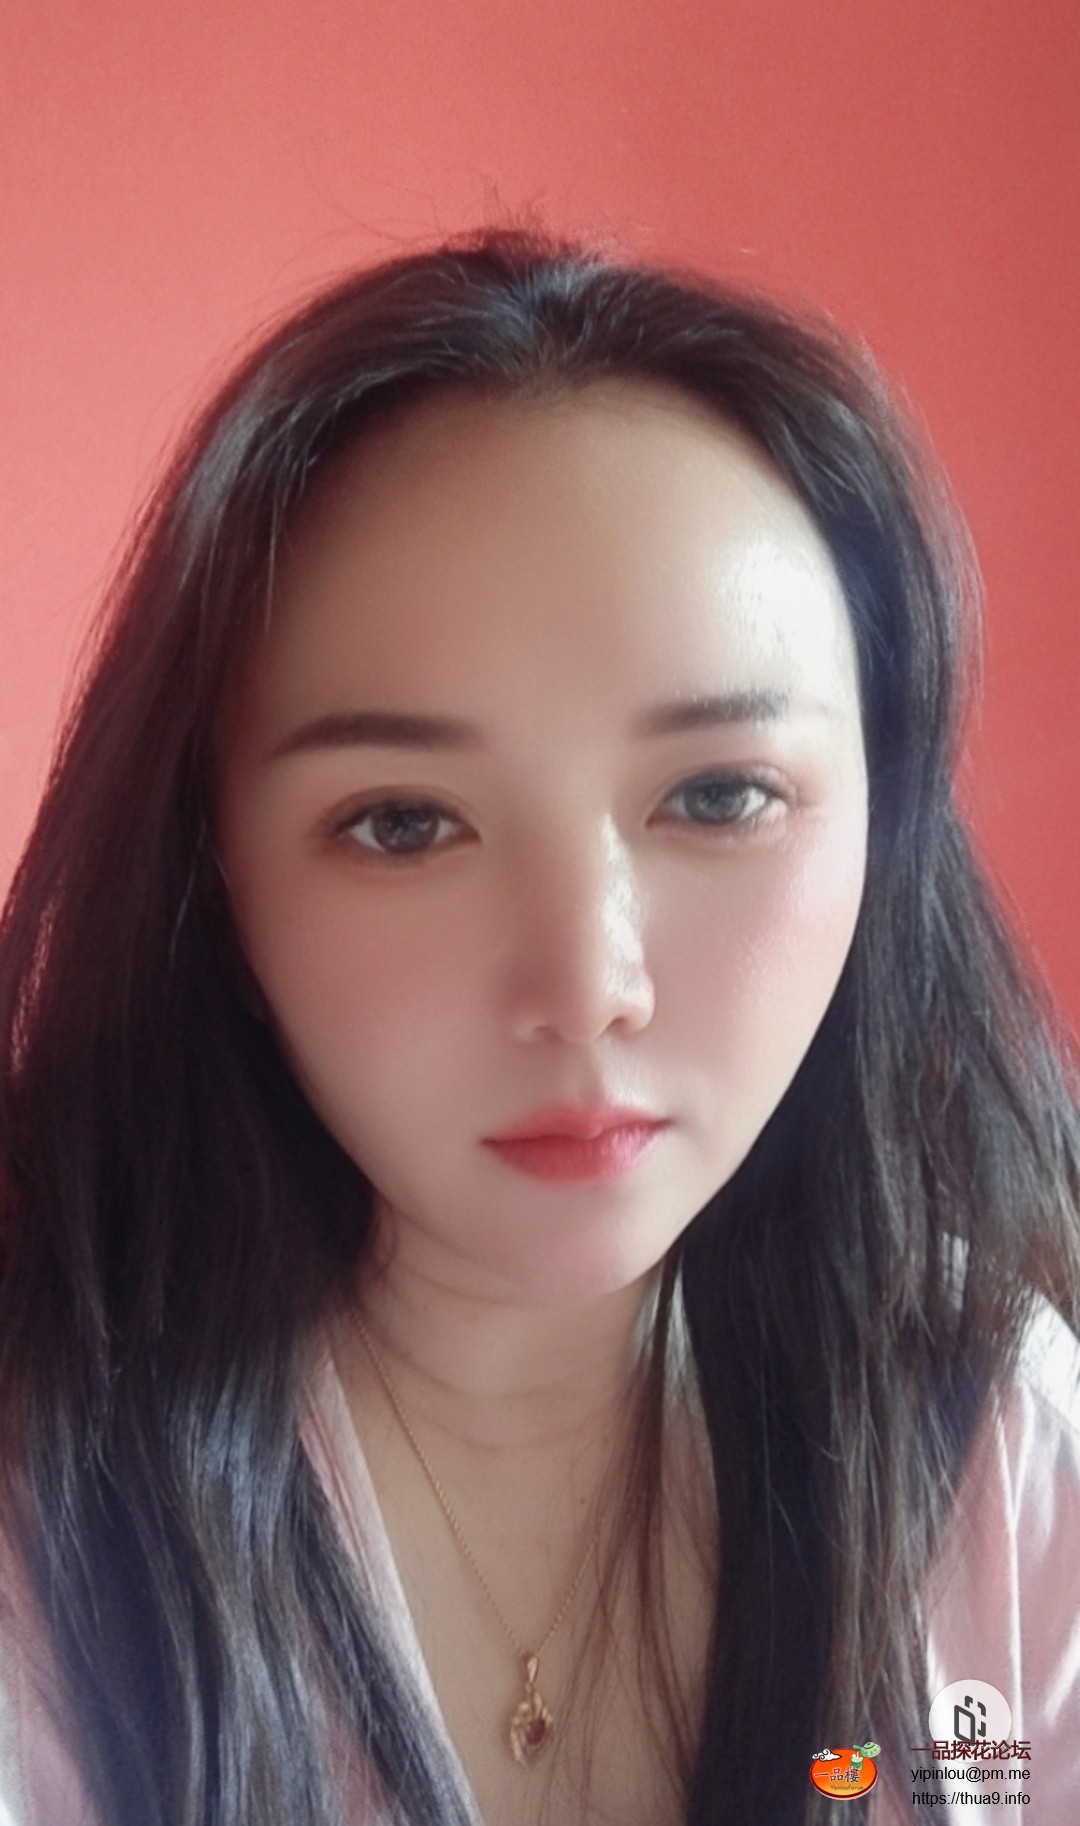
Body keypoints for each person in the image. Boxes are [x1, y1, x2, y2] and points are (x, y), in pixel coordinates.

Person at [1, 226, 1078, 1826]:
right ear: (212, 873)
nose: (587, 985)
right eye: (404, 822)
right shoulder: (49, 1499)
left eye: (721, 795)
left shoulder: (1002, 1446)